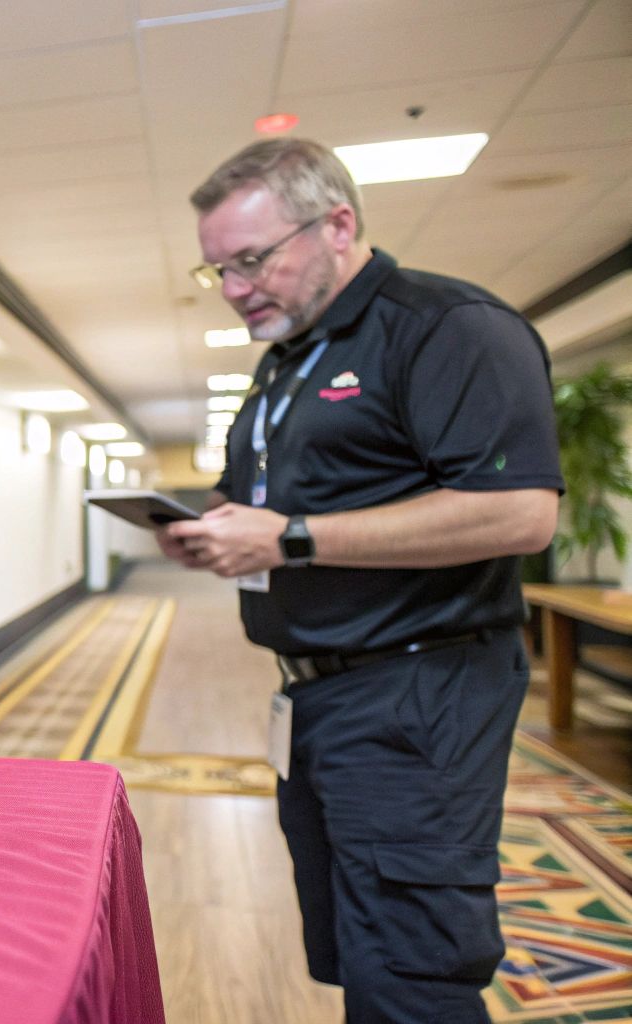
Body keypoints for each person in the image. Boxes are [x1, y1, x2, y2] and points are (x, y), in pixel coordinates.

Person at [157, 137, 562, 1023]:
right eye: (217, 270)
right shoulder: (284, 365)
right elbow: (269, 497)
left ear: (338, 224)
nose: (234, 288)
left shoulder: (446, 329)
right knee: (360, 949)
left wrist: (292, 540)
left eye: (253, 259)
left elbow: (521, 512)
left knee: (412, 970)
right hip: (315, 702)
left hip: (418, 693)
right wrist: (216, 528)